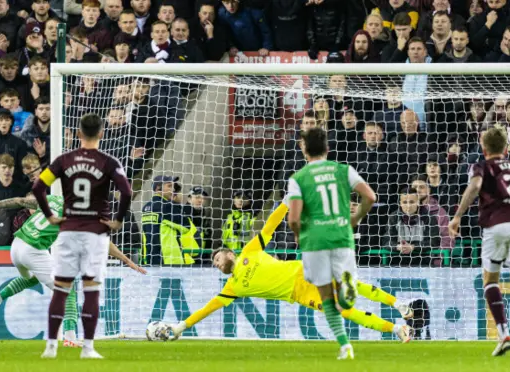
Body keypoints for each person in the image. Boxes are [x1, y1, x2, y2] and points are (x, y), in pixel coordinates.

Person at [164, 202, 413, 342]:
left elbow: (270, 226)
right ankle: (396, 329)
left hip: (303, 270)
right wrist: (180, 328)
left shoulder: (249, 251)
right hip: (300, 294)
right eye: (215, 264)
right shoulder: (232, 288)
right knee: (343, 311)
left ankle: (398, 304)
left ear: (230, 253)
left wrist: (285, 203)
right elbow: (206, 309)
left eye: (218, 258)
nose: (217, 264)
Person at [0, 195, 145, 347]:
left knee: (33, 278)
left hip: (16, 245)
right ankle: (70, 338)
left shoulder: (52, 199)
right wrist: (127, 260)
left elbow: (19, 200)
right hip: (33, 250)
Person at [32, 113, 132, 359]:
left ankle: (51, 347)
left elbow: (38, 187)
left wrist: (49, 216)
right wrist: (117, 220)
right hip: (95, 233)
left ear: (78, 134)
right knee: (91, 289)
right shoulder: (108, 162)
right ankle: (87, 348)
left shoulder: (63, 160)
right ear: (101, 133)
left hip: (67, 232)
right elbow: (127, 192)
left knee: (61, 289)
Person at [448, 127, 510, 357]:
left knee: (490, 279)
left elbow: (474, 186)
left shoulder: (482, 166)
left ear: (483, 148)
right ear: (506, 148)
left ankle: (504, 334)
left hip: (496, 225)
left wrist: (458, 216)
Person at [287, 127, 377, 360]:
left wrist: (298, 234)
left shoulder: (298, 179)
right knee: (344, 293)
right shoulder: (343, 170)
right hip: (341, 235)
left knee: (325, 296)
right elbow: (370, 197)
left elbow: (294, 219)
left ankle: (345, 346)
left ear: (304, 150)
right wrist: (354, 219)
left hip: (314, 241)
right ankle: (347, 288)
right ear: (328, 148)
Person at [142, 175, 199, 265]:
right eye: (169, 186)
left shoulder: (146, 207)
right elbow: (186, 226)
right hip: (169, 261)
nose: (173, 190)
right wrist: (177, 205)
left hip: (150, 259)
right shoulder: (167, 206)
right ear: (158, 188)